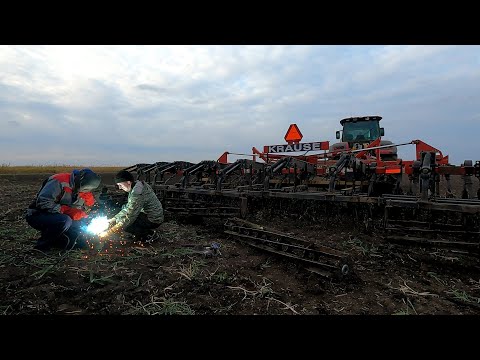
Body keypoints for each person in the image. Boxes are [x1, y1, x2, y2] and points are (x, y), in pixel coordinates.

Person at [26, 168, 102, 250]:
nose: (83, 192)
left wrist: (86, 216)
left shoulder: (87, 192)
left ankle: (58, 241)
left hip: (63, 217)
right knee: (65, 220)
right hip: (38, 215)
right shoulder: (59, 181)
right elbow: (43, 203)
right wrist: (67, 211)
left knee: (80, 239)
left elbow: (87, 209)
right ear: (78, 180)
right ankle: (42, 246)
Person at [99, 170, 164, 242]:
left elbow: (130, 216)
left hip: (154, 219)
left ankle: (149, 235)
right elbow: (128, 207)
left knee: (127, 224)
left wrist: (109, 232)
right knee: (121, 217)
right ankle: (142, 233)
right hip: (152, 214)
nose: (120, 188)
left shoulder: (137, 194)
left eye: (120, 185)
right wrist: (113, 219)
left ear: (128, 182)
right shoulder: (138, 186)